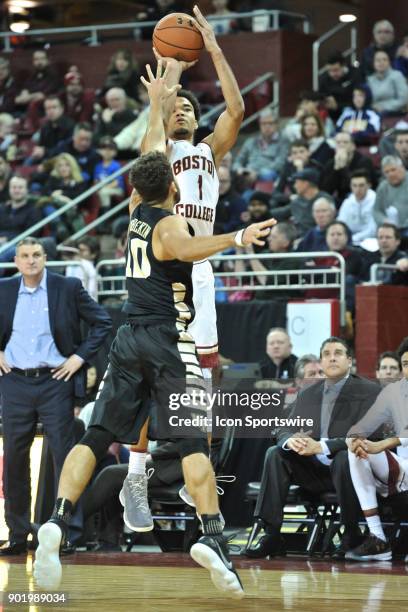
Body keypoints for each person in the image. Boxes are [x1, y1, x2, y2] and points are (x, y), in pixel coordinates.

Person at [32, 150, 274, 598]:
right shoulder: (169, 223)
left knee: (97, 434)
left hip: (127, 338)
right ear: (174, 188)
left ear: (135, 188)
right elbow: (184, 248)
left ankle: (56, 519)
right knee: (191, 440)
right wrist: (237, 236)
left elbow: (149, 153)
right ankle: (212, 535)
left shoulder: (134, 214)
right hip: (167, 340)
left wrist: (158, 105)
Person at [121, 7, 245, 532]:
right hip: (164, 267)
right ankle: (136, 474)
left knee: (203, 383)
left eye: (191, 110)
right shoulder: (157, 159)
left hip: (202, 269)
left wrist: (214, 50)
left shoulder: (207, 152)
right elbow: (153, 137)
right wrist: (162, 95)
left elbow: (235, 110)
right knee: (155, 379)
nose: (185, 114)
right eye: (178, 110)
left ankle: (203, 481)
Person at [0, 237, 111, 556]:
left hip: (55, 381)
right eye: (25, 256)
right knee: (15, 461)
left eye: (36, 255)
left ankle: (67, 533)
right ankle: (18, 533)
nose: (31, 260)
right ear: (17, 261)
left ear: (45, 258)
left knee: (64, 457)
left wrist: (79, 358)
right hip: (15, 382)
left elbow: (102, 322)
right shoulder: (5, 289)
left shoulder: (68, 286)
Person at [245, 337, 381, 559]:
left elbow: (368, 436)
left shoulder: (368, 391)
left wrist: (322, 446)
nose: (332, 357)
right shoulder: (308, 393)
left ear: (349, 361)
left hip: (352, 473)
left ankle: (351, 535)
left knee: (344, 458)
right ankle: (271, 535)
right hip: (314, 473)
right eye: (326, 354)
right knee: (276, 454)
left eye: (338, 353)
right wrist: (291, 440)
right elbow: (282, 428)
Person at [346, 337, 408, 561]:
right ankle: (378, 537)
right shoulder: (393, 393)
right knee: (356, 450)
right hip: (401, 469)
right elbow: (362, 425)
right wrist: (353, 439)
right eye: (406, 364)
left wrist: (382, 444)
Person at [270, 168, 332, 237]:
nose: (294, 186)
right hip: (298, 239)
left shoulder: (325, 200)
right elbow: (280, 213)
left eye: (296, 182)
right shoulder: (297, 201)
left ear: (306, 184)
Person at [321, 131, 377, 204]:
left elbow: (357, 187)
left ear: (353, 146)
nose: (341, 145)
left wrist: (343, 168)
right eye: (338, 142)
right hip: (340, 200)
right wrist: (336, 169)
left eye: (345, 142)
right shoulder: (331, 163)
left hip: (363, 198)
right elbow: (326, 190)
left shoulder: (364, 161)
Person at [233, 109, 287, 183]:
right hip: (248, 172)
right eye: (264, 123)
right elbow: (238, 161)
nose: (267, 126)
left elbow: (280, 164)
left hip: (268, 173)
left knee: (266, 174)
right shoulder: (251, 141)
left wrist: (257, 173)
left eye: (270, 123)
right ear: (260, 125)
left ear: (276, 124)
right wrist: (239, 169)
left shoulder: (283, 141)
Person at [30, 96, 75, 163]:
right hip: (46, 159)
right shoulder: (45, 127)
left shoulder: (70, 126)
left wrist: (45, 152)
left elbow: (66, 150)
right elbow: (41, 146)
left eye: (54, 107)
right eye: (48, 108)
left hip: (64, 161)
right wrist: (38, 151)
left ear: (62, 109)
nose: (51, 111)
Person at [337, 170, 377, 246]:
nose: (358, 189)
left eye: (361, 185)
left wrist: (353, 238)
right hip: (350, 241)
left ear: (368, 185)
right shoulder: (347, 202)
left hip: (371, 241)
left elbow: (373, 230)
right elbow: (341, 223)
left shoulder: (376, 201)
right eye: (354, 185)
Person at [318, 52, 360, 121]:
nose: (332, 74)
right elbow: (320, 95)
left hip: (352, 112)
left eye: (335, 70)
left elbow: (360, 100)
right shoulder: (324, 78)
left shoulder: (355, 75)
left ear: (343, 66)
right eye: (329, 70)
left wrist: (338, 106)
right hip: (331, 115)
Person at [367, 50, 408, 115]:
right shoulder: (370, 79)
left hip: (395, 114)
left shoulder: (397, 75)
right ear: (373, 63)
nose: (381, 62)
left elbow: (404, 99)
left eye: (384, 60)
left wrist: (383, 107)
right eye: (378, 60)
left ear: (389, 62)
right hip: (374, 114)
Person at [373, 156, 408, 230]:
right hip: (390, 228)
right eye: (387, 172)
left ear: (402, 167)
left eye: (393, 170)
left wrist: (404, 225)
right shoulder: (383, 187)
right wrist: (384, 220)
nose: (390, 174)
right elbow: (376, 210)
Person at [94, 137, 125, 211]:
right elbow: (96, 181)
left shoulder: (116, 165)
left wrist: (104, 188)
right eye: (104, 148)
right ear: (99, 150)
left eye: (110, 148)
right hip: (102, 190)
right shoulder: (98, 166)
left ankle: (106, 214)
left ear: (115, 151)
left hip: (117, 190)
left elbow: (117, 182)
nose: (107, 151)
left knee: (104, 192)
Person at [214, 165, 247, 234]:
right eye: (217, 181)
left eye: (224, 181)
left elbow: (235, 224)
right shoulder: (205, 197)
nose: (220, 184)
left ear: (230, 181)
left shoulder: (238, 201)